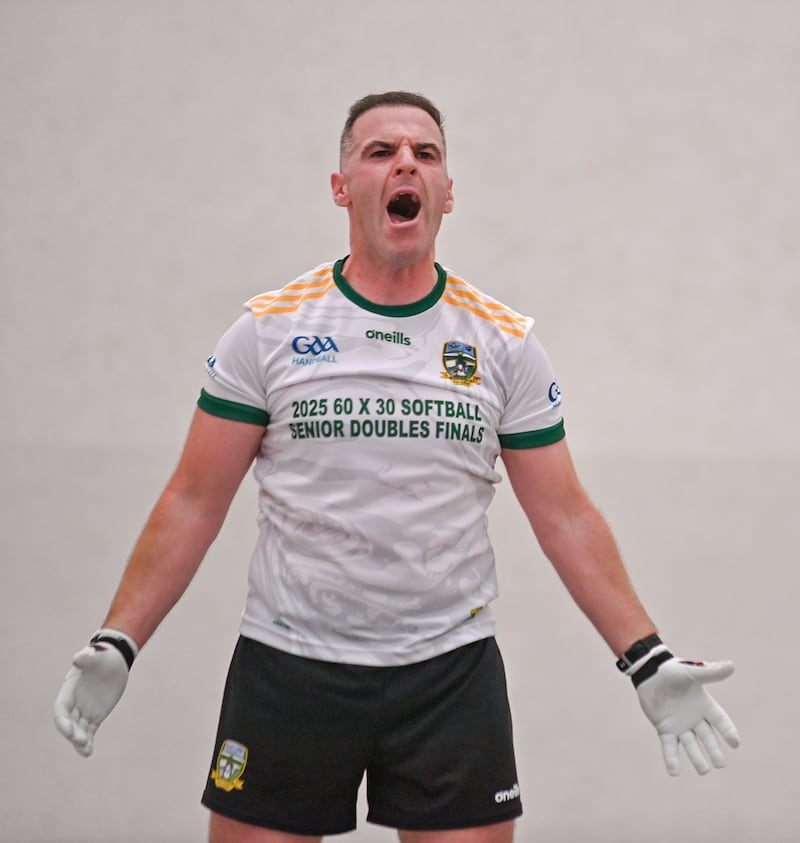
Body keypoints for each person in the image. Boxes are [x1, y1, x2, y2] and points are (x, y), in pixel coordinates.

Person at [54, 91, 740, 843]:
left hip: (449, 673)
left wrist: (644, 656)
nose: (405, 162)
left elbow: (566, 514)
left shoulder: (503, 341)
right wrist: (120, 637)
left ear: (447, 191)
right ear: (341, 186)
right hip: (291, 664)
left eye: (426, 153)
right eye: (380, 151)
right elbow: (191, 502)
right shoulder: (268, 331)